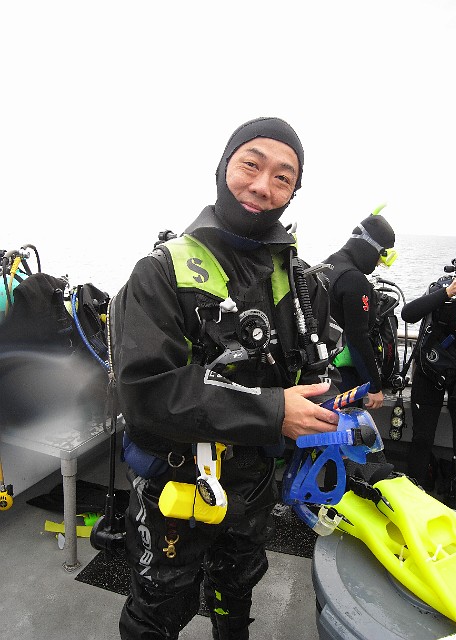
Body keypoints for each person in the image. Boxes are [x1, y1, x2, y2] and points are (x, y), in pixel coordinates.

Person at [111, 117, 343, 640]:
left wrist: (332, 406)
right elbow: (146, 394)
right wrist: (274, 411)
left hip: (254, 482)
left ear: (294, 192)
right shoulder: (160, 272)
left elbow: (312, 370)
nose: (262, 186)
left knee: (238, 584)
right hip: (174, 483)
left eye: (283, 177)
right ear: (222, 168)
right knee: (159, 603)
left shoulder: (303, 282)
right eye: (250, 165)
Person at [401, 271, 456, 506]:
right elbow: (408, 314)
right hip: (430, 373)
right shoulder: (449, 294)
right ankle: (414, 497)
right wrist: (446, 292)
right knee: (422, 439)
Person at [319, 211, 396, 410]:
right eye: (382, 255)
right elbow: (357, 337)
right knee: (343, 428)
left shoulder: (327, 265)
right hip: (342, 378)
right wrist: (374, 385)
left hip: (320, 372)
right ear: (371, 248)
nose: (379, 263)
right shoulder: (354, 279)